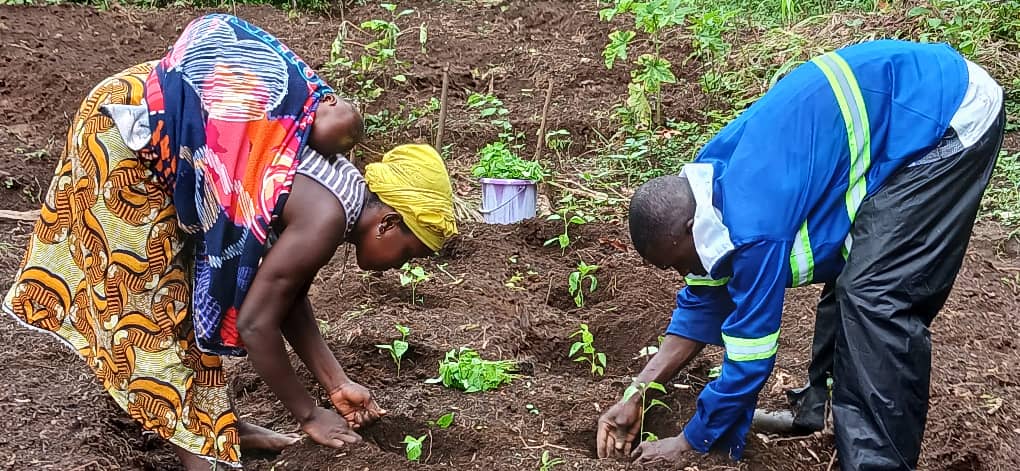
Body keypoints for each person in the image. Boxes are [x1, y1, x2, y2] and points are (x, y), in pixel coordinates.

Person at [2, 14, 457, 470]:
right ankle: (199, 455)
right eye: (411, 251)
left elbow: (286, 293)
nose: (401, 265)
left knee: (196, 294)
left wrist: (335, 384)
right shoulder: (326, 217)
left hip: (154, 111)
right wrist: (308, 413)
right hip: (131, 139)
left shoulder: (340, 193)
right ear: (388, 223)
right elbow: (256, 324)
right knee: (154, 308)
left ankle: (221, 427)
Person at [596, 39, 1004, 470]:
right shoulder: (705, 189)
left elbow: (751, 357)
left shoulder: (753, 224)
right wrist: (635, 394)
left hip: (946, 115)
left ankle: (877, 463)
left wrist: (693, 441)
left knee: (874, 295)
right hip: (900, 110)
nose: (683, 273)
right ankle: (819, 413)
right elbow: (703, 300)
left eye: (676, 262)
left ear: (687, 230)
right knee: (857, 270)